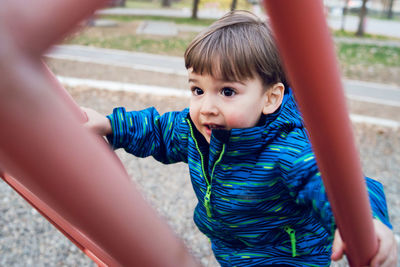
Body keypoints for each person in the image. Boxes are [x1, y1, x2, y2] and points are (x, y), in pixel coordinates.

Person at [82, 10, 397, 267]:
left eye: (227, 91)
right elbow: (155, 128)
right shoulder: (196, 130)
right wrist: (110, 124)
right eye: (197, 90)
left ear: (270, 98)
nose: (206, 107)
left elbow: (338, 182)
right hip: (233, 251)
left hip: (287, 259)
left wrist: (367, 222)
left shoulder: (285, 151)